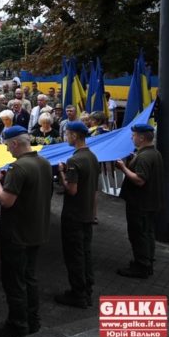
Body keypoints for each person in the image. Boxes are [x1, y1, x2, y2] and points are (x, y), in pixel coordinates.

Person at [0, 126, 53, 337]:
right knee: (30, 278)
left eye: (8, 145)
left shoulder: (18, 168)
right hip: (36, 230)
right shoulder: (44, 163)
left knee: (15, 282)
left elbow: (6, 201)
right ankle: (33, 320)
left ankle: (17, 326)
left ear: (15, 143)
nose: (7, 150)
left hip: (17, 234)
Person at [55, 121, 99, 308]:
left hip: (74, 214)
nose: (66, 137)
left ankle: (78, 294)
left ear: (74, 136)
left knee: (74, 255)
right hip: (87, 212)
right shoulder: (92, 157)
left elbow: (71, 190)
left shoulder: (75, 160)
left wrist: (62, 174)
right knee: (86, 252)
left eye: (67, 134)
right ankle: (87, 289)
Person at [115, 124, 163, 278]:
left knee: (138, 234)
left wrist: (123, 168)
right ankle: (146, 261)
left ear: (141, 138)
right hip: (149, 203)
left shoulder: (144, 157)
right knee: (147, 232)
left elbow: (140, 180)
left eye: (134, 135)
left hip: (139, 204)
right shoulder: (153, 153)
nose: (131, 137)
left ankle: (141, 267)